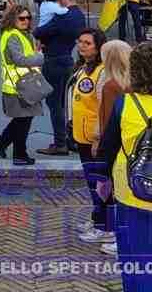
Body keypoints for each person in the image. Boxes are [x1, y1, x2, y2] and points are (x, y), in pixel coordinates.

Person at [96, 43, 152, 289]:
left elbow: (106, 152)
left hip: (135, 196)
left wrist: (102, 185)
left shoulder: (125, 105)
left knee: (141, 269)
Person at [69, 28, 113, 245]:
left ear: (98, 47)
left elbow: (103, 107)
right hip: (81, 134)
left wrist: (98, 137)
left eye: (87, 43)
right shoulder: (82, 67)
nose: (82, 46)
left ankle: (105, 227)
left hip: (93, 137)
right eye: (80, 42)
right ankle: (97, 218)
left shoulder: (103, 71)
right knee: (92, 182)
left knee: (101, 184)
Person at [34, 0, 86, 156]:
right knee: (65, 103)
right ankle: (70, 139)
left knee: (54, 104)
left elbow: (40, 32)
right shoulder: (79, 15)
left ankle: (60, 143)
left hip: (54, 60)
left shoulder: (62, 17)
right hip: (67, 59)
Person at [0, 5, 45, 166]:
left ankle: (2, 141)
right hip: (19, 85)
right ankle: (19, 154)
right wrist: (40, 57)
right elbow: (19, 59)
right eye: (22, 18)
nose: (26, 21)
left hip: (25, 83)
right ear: (12, 19)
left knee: (23, 120)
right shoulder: (13, 36)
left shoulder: (22, 34)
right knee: (23, 122)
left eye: (28, 18)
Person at [95, 39, 131, 258]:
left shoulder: (111, 86)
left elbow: (108, 120)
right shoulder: (134, 83)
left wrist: (100, 144)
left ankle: (120, 239)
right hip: (131, 146)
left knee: (115, 194)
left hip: (116, 148)